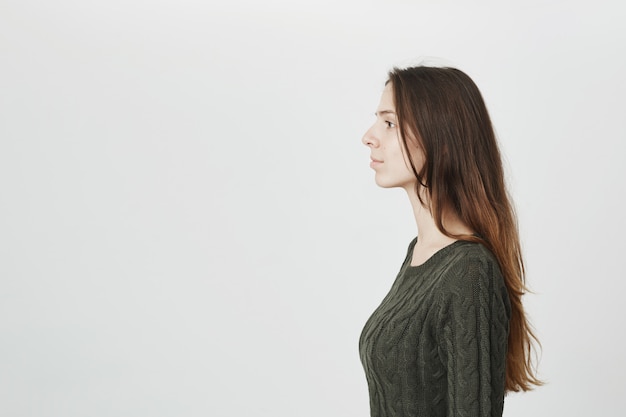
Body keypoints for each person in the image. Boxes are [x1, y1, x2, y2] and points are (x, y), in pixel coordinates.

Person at [358, 65, 541, 417]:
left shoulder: (469, 271)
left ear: (440, 140)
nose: (369, 136)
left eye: (389, 123)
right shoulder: (421, 254)